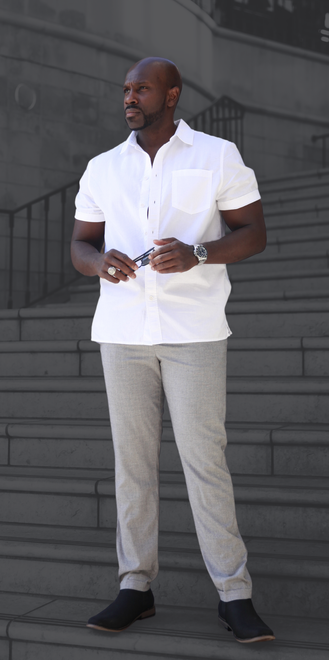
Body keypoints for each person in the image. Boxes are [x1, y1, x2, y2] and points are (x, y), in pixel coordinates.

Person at [71, 56, 275, 644]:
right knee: (132, 465)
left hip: (195, 332)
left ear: (173, 94)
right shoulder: (103, 167)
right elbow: (81, 245)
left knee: (204, 462)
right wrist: (97, 263)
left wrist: (198, 253)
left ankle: (233, 595)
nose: (130, 98)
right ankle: (136, 587)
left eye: (142, 89)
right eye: (126, 90)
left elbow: (253, 233)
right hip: (122, 332)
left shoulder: (217, 156)